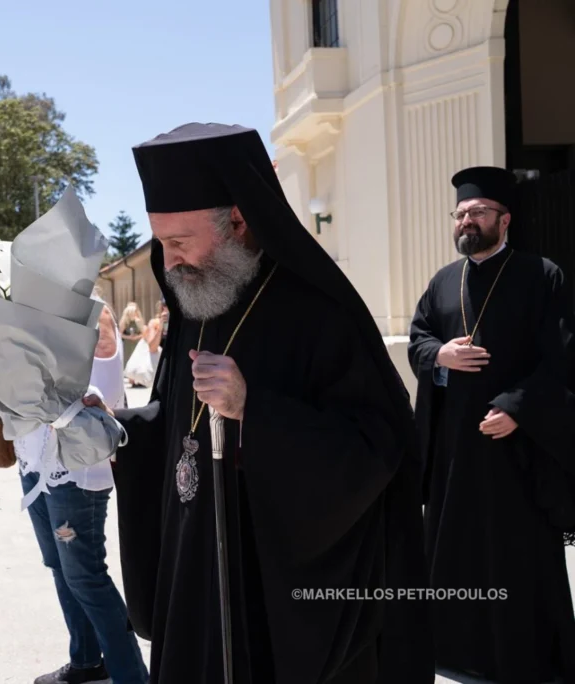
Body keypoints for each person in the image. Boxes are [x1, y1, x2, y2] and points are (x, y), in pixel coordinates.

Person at [84, 123, 432, 683]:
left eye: (180, 242)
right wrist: (118, 428)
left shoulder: (319, 311)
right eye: (161, 243)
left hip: (270, 587)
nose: (168, 263)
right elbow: (177, 422)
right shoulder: (195, 303)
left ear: (240, 220)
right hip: (193, 561)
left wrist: (256, 411)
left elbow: (376, 446)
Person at [407, 166, 575, 683]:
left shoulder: (542, 275)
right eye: (460, 214)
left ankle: (524, 657)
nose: (466, 222)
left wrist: (517, 409)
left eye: (478, 212)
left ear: (504, 220)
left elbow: (562, 357)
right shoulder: (442, 281)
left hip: (514, 447)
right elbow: (418, 339)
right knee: (455, 548)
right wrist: (440, 356)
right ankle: (456, 651)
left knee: (516, 552)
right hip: (455, 447)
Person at [18, 297, 148, 684]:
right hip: (33, 462)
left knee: (85, 576)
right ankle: (87, 661)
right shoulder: (27, 309)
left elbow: (100, 387)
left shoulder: (93, 310)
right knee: (61, 568)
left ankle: (132, 677)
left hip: (75, 470)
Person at [123, 300, 165, 388]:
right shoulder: (125, 321)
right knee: (139, 363)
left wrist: (137, 337)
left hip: (138, 341)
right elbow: (147, 335)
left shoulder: (139, 320)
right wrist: (129, 337)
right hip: (133, 343)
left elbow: (144, 332)